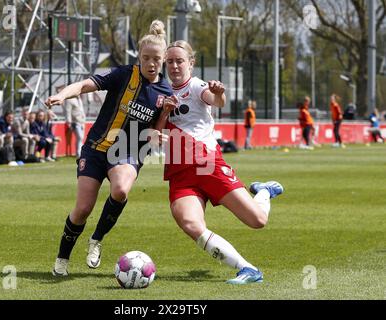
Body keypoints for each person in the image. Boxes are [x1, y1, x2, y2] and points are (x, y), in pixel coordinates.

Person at [45, 20, 173, 276]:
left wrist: (159, 132)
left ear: (163, 60)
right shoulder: (123, 74)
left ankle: (96, 240)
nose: (150, 63)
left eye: (156, 59)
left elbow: (156, 131)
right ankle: (62, 258)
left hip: (128, 152)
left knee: (121, 189)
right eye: (146, 57)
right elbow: (83, 85)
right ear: (139, 56)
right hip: (96, 148)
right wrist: (62, 95)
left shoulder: (164, 91)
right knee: (82, 209)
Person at [155, 40, 284, 285]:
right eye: (169, 61)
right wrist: (163, 112)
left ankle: (264, 191)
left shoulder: (195, 86)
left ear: (190, 63)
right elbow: (155, 134)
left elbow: (216, 101)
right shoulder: (160, 92)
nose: (174, 66)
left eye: (179, 61)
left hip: (208, 165)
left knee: (258, 221)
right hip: (179, 173)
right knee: (190, 223)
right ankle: (247, 269)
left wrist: (219, 92)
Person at [57, 85, 86, 159]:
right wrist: (69, 122)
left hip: (82, 121)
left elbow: (81, 110)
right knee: (80, 137)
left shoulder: (79, 99)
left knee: (80, 138)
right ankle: (79, 153)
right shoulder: (70, 100)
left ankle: (79, 153)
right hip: (75, 122)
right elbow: (68, 111)